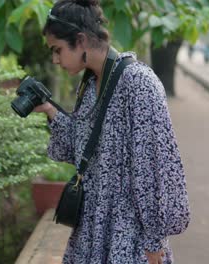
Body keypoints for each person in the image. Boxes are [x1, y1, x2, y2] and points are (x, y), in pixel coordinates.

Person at [33, 0, 190, 263]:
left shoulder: (139, 84)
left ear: (81, 40)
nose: (55, 59)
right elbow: (83, 153)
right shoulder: (91, 82)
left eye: (57, 50)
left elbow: (153, 168)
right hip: (91, 230)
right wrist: (50, 110)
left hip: (128, 234)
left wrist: (153, 241)